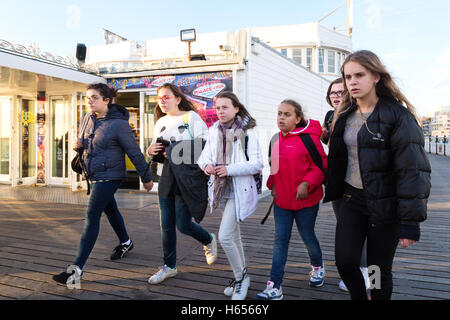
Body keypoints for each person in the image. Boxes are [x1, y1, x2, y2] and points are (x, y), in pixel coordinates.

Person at [324, 50, 431, 300]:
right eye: (348, 76)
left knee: (377, 270)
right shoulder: (344, 115)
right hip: (351, 200)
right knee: (346, 262)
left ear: (376, 77)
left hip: (386, 205)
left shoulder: (398, 117)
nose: (352, 81)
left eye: (359, 75)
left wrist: (410, 223)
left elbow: (412, 171)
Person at [53, 83, 153, 286]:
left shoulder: (119, 124)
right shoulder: (87, 118)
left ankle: (76, 271)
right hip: (94, 173)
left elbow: (133, 151)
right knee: (110, 209)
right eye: (88, 97)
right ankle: (126, 242)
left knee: (92, 215)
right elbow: (86, 142)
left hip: (110, 175)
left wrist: (146, 176)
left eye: (94, 97)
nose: (89, 101)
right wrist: (78, 146)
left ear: (106, 100)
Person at [146, 83, 217, 285]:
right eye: (159, 98)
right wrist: (151, 151)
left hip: (185, 179)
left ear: (178, 98)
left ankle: (208, 239)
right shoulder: (160, 122)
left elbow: (205, 144)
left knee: (183, 225)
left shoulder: (191, 118)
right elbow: (157, 150)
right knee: (166, 225)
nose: (162, 101)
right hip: (166, 178)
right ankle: (169, 266)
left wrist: (177, 149)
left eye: (166, 97)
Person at [256, 99, 328, 300]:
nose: (281, 117)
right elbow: (275, 168)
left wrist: (307, 182)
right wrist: (272, 185)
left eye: (287, 114)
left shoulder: (308, 139)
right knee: (280, 241)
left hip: (306, 201)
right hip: (282, 203)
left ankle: (317, 266)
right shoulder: (275, 140)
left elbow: (321, 166)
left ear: (297, 118)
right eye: (279, 113)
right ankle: (275, 285)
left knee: (307, 236)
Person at [197, 91, 263, 300]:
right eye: (217, 107)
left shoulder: (247, 133)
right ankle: (241, 277)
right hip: (221, 189)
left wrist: (229, 169)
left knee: (225, 236)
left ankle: (241, 279)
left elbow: (257, 164)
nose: (220, 111)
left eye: (225, 107)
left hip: (239, 191)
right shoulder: (213, 130)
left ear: (236, 108)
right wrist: (206, 165)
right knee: (234, 236)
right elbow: (203, 157)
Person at [322, 78, 370, 292]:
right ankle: (356, 274)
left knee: (371, 234)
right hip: (339, 181)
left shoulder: (359, 113)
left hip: (365, 184)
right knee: (346, 229)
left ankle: (369, 275)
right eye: (332, 92)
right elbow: (332, 143)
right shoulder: (331, 116)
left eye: (340, 92)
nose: (336, 96)